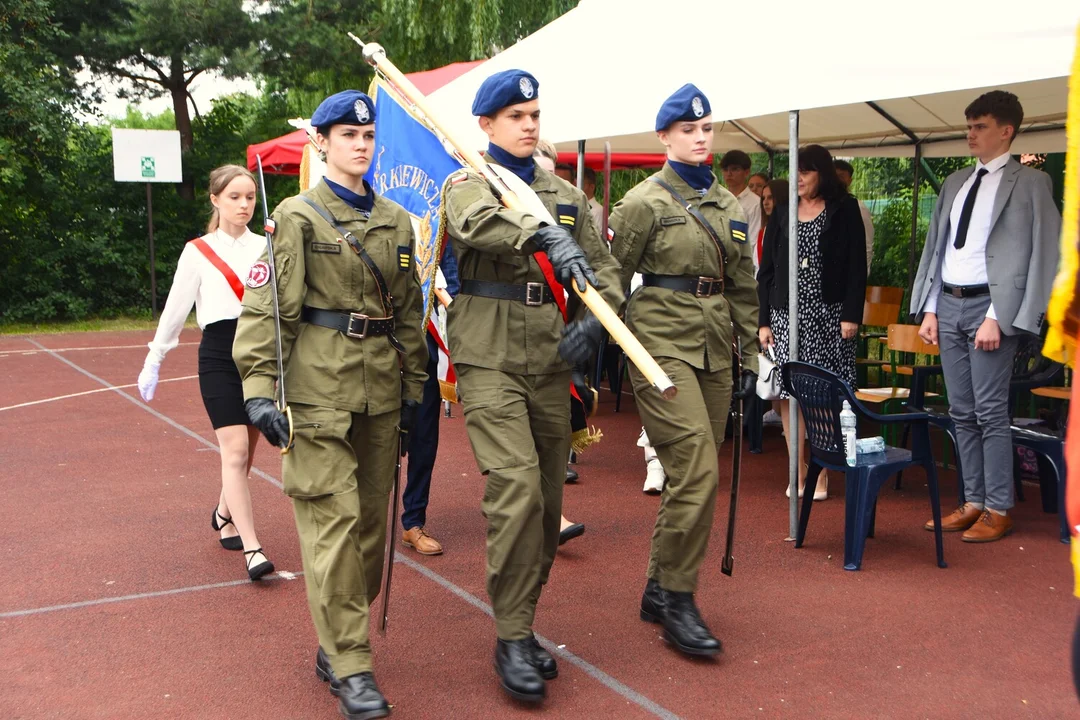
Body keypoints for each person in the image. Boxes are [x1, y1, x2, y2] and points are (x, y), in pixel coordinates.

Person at [233, 90, 428, 720]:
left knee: (372, 530)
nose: (361, 145)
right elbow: (266, 306)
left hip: (380, 393)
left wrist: (416, 391)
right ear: (321, 143)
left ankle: (336, 631)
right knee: (335, 529)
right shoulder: (297, 216)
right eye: (347, 135)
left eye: (368, 137)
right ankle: (351, 661)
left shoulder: (397, 221)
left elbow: (408, 313)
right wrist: (260, 390)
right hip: (317, 394)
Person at [441, 69, 622, 703]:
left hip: (551, 359)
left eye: (535, 115)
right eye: (516, 117)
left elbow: (605, 270)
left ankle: (524, 616)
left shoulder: (568, 194)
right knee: (515, 489)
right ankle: (512, 635)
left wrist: (594, 328)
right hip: (487, 355)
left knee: (546, 505)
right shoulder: (467, 184)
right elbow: (477, 227)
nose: (529, 125)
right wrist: (542, 233)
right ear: (486, 126)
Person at [609, 83, 759, 658]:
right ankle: (678, 597)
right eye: (689, 130)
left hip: (717, 348)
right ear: (665, 137)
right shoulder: (642, 203)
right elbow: (611, 277)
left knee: (688, 472)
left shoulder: (727, 203)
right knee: (697, 468)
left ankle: (655, 587)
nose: (700, 138)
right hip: (659, 346)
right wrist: (607, 340)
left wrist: (753, 352)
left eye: (707, 130)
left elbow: (741, 284)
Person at [911, 90, 1061, 542]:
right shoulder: (955, 182)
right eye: (969, 125)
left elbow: (1044, 254)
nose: (970, 134)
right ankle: (973, 500)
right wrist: (930, 307)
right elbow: (936, 248)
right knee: (960, 411)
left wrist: (1000, 315)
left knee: (990, 411)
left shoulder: (1032, 183)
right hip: (950, 302)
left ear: (1006, 131)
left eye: (980, 126)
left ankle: (998, 506)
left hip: (991, 308)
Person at [137, 164, 274, 581]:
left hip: (260, 355)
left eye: (249, 197)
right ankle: (254, 549)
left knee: (246, 453)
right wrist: (154, 358)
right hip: (218, 355)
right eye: (234, 197)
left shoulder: (267, 245)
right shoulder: (197, 251)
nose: (244, 205)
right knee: (233, 452)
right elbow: (176, 308)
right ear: (215, 200)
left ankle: (223, 514)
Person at [757, 144, 867, 501]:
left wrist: (852, 313)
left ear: (823, 173)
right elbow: (767, 270)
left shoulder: (844, 208)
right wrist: (763, 321)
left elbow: (855, 266)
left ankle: (822, 471)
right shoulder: (785, 209)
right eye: (795, 171)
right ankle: (797, 468)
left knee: (823, 394)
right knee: (789, 395)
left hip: (829, 314)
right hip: (785, 315)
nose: (799, 178)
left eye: (806, 171)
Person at [533, 139, 587, 547]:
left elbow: (597, 270)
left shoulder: (570, 209)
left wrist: (587, 327)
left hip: (558, 335)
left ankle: (550, 513)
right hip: (502, 344)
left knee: (550, 440)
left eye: (551, 174)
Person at [399, 240, 459, 557]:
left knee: (424, 440)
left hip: (422, 346)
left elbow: (452, 278)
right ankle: (359, 518)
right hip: (375, 347)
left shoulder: (434, 226)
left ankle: (413, 520)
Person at [720, 150, 763, 271]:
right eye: (725, 169)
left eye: (735, 169)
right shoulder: (718, 199)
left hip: (742, 265)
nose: (729, 173)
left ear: (746, 172)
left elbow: (754, 241)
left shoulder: (755, 204)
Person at [834, 159, 876, 269]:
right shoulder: (819, 205)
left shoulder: (858, 208)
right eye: (834, 176)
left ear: (850, 180)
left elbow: (866, 247)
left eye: (841, 176)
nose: (837, 180)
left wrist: (860, 278)